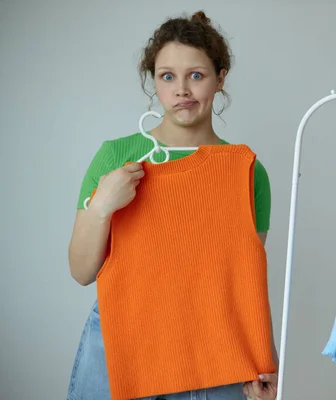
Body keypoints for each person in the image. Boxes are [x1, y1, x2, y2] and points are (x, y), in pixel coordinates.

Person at [66, 10, 278, 400]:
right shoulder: (116, 156)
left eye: (196, 75)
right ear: (155, 83)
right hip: (122, 347)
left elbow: (244, 281)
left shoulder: (246, 170)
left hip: (216, 358)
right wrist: (102, 206)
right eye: (167, 77)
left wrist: (265, 363)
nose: (181, 89)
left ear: (220, 79)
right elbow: (81, 272)